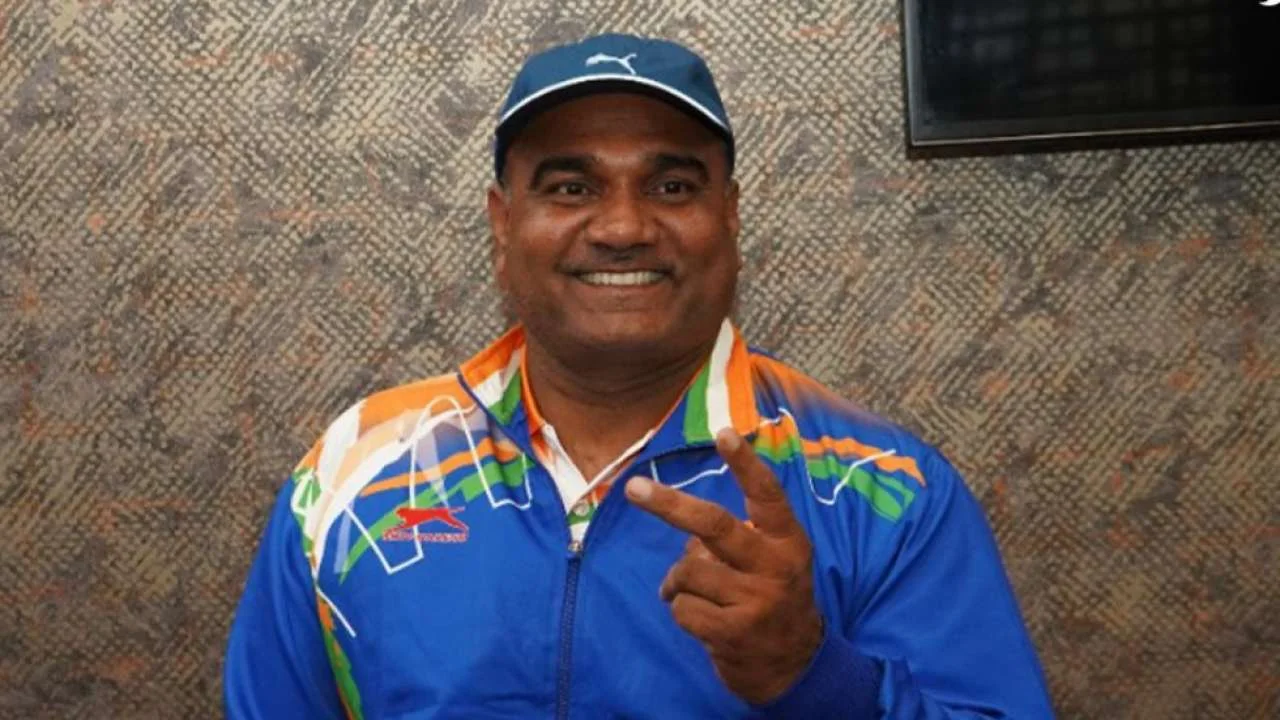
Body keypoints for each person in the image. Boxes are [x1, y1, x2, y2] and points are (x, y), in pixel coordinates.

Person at [224, 33, 1054, 719]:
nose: (622, 226)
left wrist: (813, 677)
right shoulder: (356, 473)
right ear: (503, 225)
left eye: (672, 185)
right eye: (571, 186)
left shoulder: (885, 489)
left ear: (729, 216)